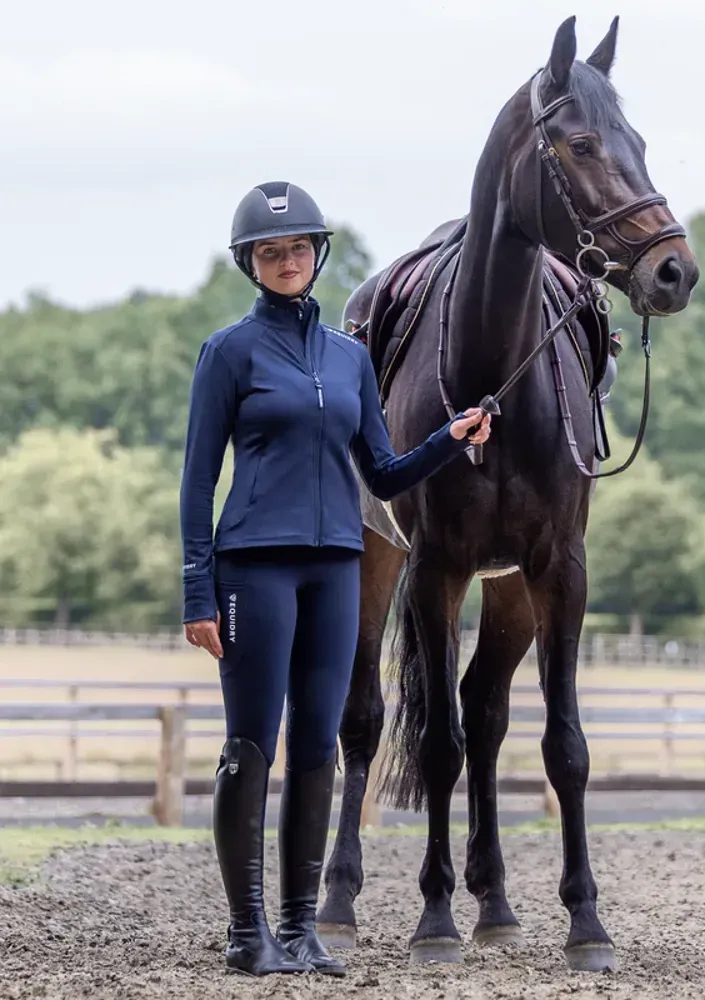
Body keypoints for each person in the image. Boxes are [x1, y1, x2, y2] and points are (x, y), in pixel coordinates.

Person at [179, 181, 492, 978]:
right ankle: (248, 932)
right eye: (271, 252)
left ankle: (300, 927)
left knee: (320, 746)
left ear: (318, 255)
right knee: (250, 748)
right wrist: (198, 590)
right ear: (250, 263)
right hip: (255, 566)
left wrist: (451, 439)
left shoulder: (351, 359)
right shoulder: (229, 353)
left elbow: (384, 477)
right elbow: (195, 483)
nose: (287, 261)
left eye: (299, 249)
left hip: (335, 568)